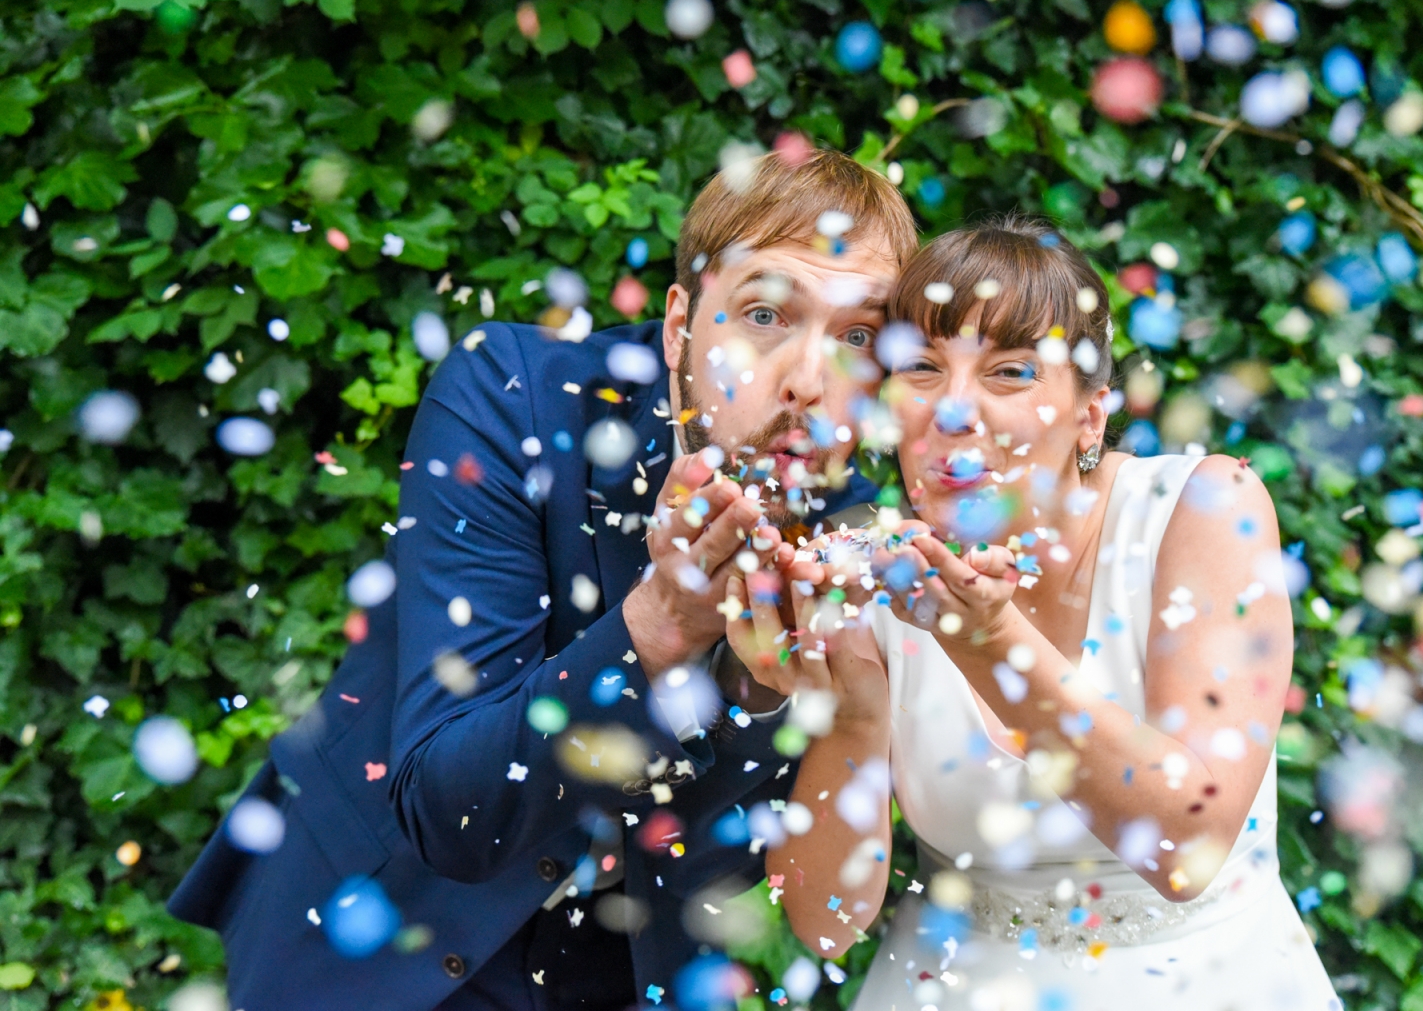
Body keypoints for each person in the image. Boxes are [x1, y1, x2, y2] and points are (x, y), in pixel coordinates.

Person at [164, 147, 918, 1011]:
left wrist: (757, 698)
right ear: (679, 326)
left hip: (617, 978)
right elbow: (452, 813)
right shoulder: (517, 397)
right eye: (764, 313)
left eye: (858, 336)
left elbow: (710, 870)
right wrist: (660, 625)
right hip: (373, 936)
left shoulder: (845, 536)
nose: (812, 384)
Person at [726, 214, 1341, 1010]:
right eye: (920, 367)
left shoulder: (1203, 509)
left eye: (1010, 372)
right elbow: (826, 926)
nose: (953, 411)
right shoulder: (866, 567)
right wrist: (849, 714)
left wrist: (984, 638)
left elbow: (1187, 848)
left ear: (1091, 414)